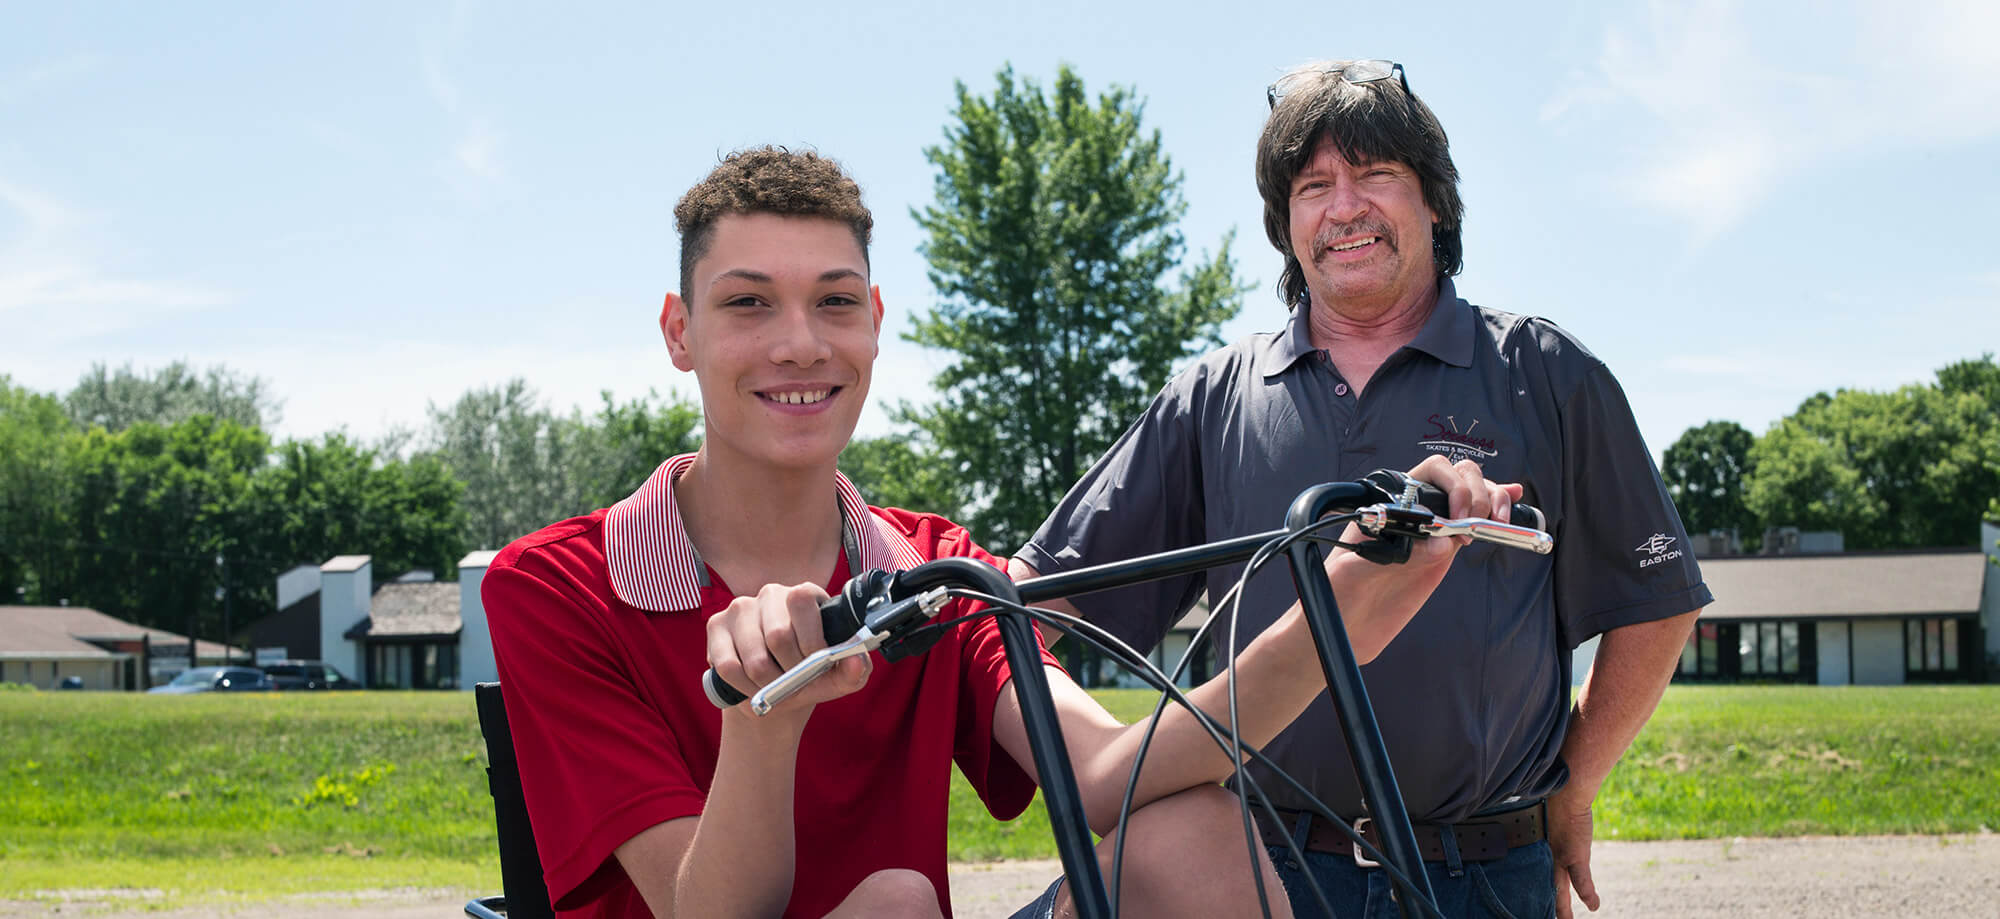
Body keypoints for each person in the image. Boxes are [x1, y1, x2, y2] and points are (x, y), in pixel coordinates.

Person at [483, 146, 1515, 919]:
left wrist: (1339, 617)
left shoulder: (934, 565)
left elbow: (1103, 774)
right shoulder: (555, 585)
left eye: (833, 302)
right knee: (893, 904)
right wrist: (763, 726)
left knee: (1190, 828)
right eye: (748, 303)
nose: (799, 342)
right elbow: (703, 911)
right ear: (680, 332)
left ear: (874, 320)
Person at [1011, 60, 1712, 919]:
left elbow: (1657, 601)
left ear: (1435, 203)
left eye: (1375, 173)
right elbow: (1034, 602)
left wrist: (1576, 779)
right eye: (1312, 187)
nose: (1343, 207)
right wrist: (1119, 769)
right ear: (1286, 223)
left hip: (1482, 874)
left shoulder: (1543, 371)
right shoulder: (1216, 395)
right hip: (1259, 869)